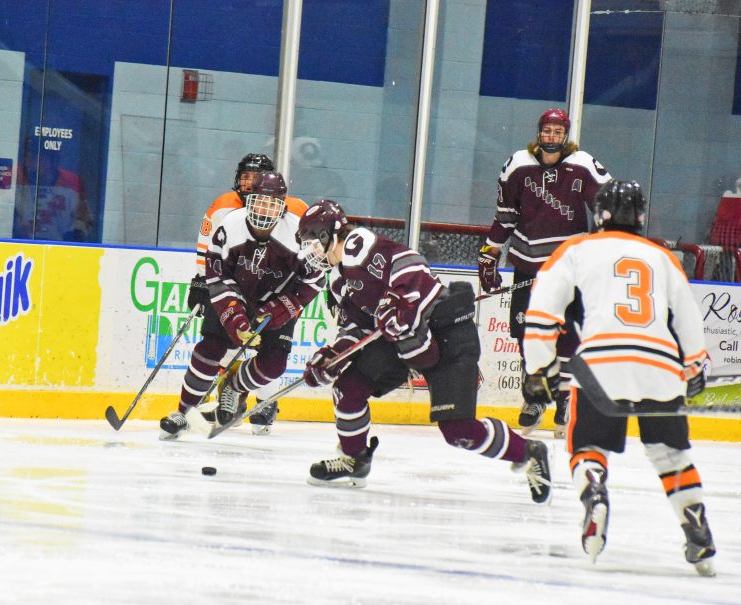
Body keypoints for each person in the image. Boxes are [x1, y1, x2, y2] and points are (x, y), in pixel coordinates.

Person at [297, 200, 551, 502]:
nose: (311, 252)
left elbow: (410, 261)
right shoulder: (338, 280)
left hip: (445, 329)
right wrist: (333, 358)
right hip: (404, 342)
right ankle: (355, 459)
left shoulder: (359, 245)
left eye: (313, 243)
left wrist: (400, 299)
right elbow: (357, 329)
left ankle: (529, 453)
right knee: (348, 388)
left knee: (459, 431)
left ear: (330, 235)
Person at [522, 180, 716, 575]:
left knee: (588, 444)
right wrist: (696, 363)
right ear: (642, 217)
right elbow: (688, 316)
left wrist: (537, 369)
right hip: (661, 364)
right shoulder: (663, 256)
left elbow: (542, 313)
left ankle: (594, 493)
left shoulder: (575, 249)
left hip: (600, 363)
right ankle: (696, 528)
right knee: (670, 454)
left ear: (599, 214)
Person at [160, 171, 325, 439]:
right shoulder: (229, 225)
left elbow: (316, 279)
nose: (265, 209)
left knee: (274, 363)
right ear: (249, 200)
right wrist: (233, 315)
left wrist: (284, 306)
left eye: (272, 203)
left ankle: (234, 388)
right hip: (237, 293)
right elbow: (216, 274)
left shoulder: (298, 233)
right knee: (209, 349)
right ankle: (184, 411)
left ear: (283, 205)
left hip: (276, 301)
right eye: (260, 201)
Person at [478, 108, 612, 437]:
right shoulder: (517, 165)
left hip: (570, 272)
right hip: (527, 265)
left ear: (565, 136)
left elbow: (609, 212)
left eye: (557, 132)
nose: (552, 137)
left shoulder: (583, 165)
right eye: (547, 131)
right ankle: (534, 398)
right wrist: (489, 254)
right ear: (539, 132)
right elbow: (505, 217)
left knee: (567, 338)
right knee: (528, 337)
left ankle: (565, 398)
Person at [187, 153, 309, 434]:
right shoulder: (223, 207)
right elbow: (207, 246)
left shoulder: (296, 210)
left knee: (271, 351)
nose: (249, 184)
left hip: (277, 292)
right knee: (227, 343)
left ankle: (265, 403)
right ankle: (226, 398)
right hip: (238, 287)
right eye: (245, 177)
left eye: (256, 179)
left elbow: (316, 250)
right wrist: (200, 281)